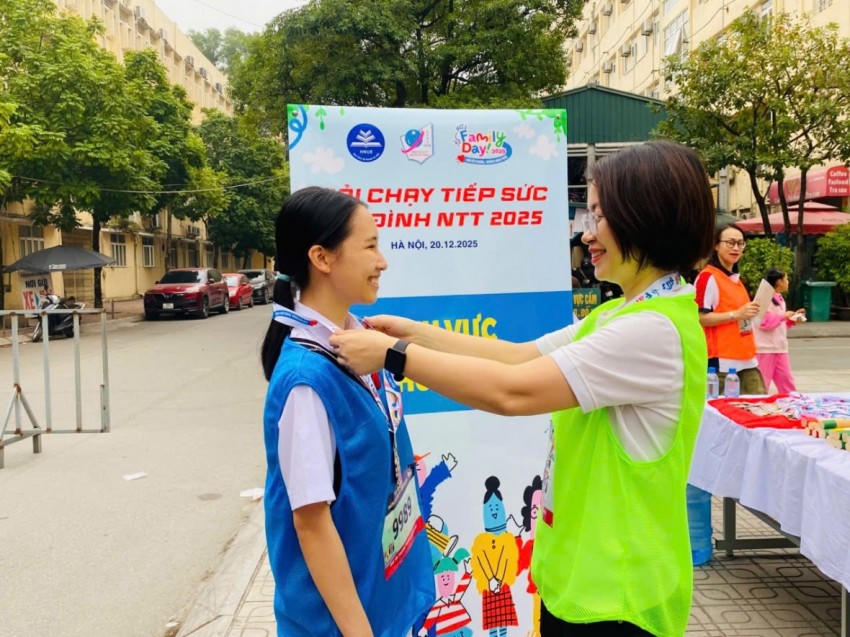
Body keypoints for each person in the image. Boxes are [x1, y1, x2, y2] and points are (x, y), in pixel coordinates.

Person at [330, 140, 715, 637]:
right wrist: (414, 334)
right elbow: (518, 356)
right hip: (584, 583)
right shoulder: (619, 314)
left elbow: (512, 391)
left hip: (618, 597)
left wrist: (395, 356)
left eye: (599, 215)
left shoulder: (651, 330)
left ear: (646, 216)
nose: (586, 232)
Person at [260, 186, 434, 636]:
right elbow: (311, 523)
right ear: (322, 258)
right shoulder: (306, 381)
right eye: (370, 246)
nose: (383, 261)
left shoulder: (359, 345)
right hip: (342, 623)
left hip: (381, 596)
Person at [694, 223, 766, 395]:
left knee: (758, 406)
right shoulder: (707, 277)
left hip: (747, 358)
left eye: (740, 243)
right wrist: (736, 314)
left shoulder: (736, 279)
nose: (736, 248)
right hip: (721, 364)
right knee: (720, 409)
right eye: (730, 243)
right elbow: (699, 317)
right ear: (716, 246)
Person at [755, 268, 805, 393]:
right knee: (762, 386)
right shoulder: (763, 297)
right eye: (786, 279)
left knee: (788, 384)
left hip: (780, 348)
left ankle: (792, 403)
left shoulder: (779, 298)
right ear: (779, 282)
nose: (788, 282)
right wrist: (784, 316)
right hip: (765, 349)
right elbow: (763, 323)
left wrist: (792, 320)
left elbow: (779, 324)